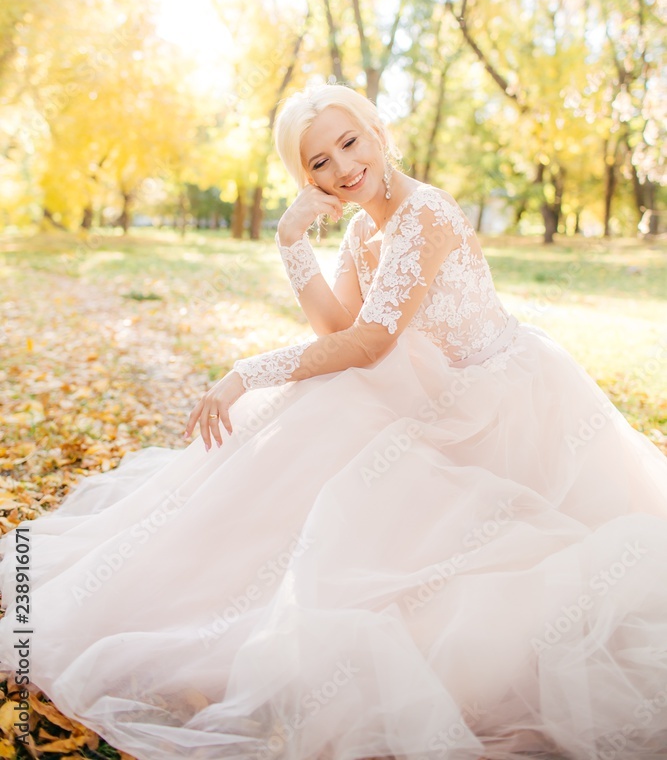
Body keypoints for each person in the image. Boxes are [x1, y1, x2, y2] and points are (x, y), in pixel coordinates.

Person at [1, 82, 667, 760]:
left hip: (500, 404)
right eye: (318, 162)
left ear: (376, 130)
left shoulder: (426, 213)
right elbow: (335, 328)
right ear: (304, 177)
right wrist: (292, 239)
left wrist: (247, 372)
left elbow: (369, 343)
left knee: (322, 406)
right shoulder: (361, 227)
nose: (342, 168)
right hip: (432, 392)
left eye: (348, 143)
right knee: (319, 408)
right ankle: (207, 587)